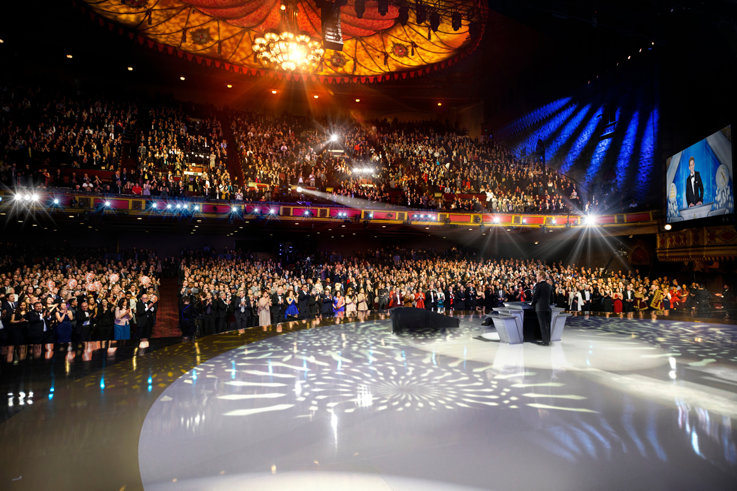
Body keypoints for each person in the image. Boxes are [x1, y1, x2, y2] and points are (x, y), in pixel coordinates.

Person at [531, 271, 553, 346]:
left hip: (540, 308)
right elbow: (552, 299)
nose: (536, 277)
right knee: (547, 325)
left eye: (537, 276)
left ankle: (545, 341)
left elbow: (535, 297)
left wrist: (532, 304)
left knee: (543, 325)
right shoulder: (549, 286)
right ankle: (548, 340)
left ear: (541, 276)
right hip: (548, 308)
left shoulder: (539, 286)